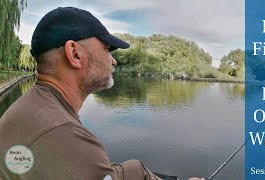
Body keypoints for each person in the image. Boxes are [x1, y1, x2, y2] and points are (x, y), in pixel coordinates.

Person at [0, 7, 204, 180]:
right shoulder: (62, 132)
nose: (113, 61)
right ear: (74, 54)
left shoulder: (36, 107)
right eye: (107, 49)